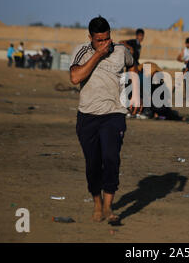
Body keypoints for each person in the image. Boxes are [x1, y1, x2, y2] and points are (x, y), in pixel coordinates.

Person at [69, 16, 135, 223]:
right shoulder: (82, 51)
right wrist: (97, 54)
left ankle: (108, 206)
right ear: (90, 38)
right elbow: (75, 78)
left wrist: (137, 92)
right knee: (93, 164)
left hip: (113, 114)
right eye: (99, 40)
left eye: (107, 39)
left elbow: (133, 67)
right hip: (87, 116)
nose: (105, 43)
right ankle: (96, 202)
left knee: (111, 158)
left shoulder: (120, 51)